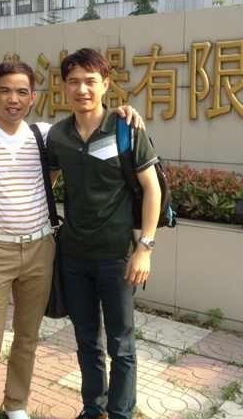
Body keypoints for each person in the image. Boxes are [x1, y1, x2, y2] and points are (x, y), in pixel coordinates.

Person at [0, 60, 143, 419]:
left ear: (33, 97)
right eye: (6, 91)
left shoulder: (44, 135)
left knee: (27, 337)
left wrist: (124, 112)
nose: (13, 99)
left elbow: (84, 130)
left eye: (22, 92)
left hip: (41, 249)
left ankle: (16, 405)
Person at [46, 49, 161, 419]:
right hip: (74, 257)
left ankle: (121, 412)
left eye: (90, 81)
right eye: (74, 82)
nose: (82, 89)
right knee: (86, 341)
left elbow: (153, 190)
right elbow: (46, 183)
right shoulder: (58, 136)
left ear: (105, 84)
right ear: (64, 87)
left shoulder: (126, 128)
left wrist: (144, 247)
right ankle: (93, 408)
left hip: (117, 258)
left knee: (121, 344)